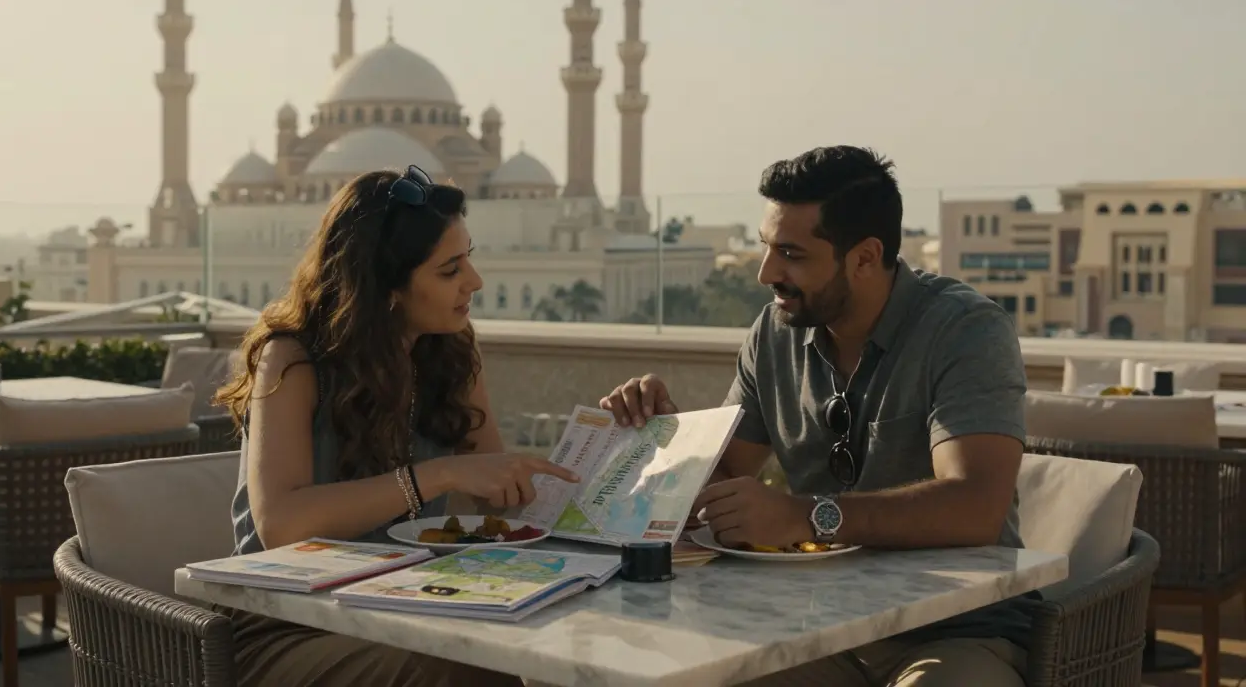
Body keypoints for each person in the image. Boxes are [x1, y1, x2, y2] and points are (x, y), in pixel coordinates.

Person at [600, 146, 1032, 687]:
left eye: (791, 254)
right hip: (814, 631)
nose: (766, 272)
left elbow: (975, 507)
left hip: (958, 631)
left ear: (865, 257)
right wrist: (666, 436)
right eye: (766, 247)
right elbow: (725, 477)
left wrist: (807, 516)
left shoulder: (965, 331)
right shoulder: (774, 334)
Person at [213, 166, 579, 687]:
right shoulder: (293, 361)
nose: (474, 282)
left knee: (547, 648)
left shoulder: (449, 354)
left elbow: (503, 500)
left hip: (402, 609)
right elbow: (281, 526)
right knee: (472, 668)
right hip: (283, 623)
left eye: (469, 259)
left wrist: (624, 436)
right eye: (450, 271)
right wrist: (437, 476)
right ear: (386, 287)